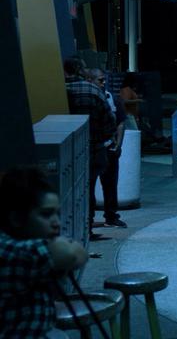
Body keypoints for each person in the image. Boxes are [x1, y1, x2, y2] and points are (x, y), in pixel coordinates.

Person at [1, 168, 89, 337]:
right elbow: (74, 254)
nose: (56, 222)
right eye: (46, 214)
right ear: (16, 218)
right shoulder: (12, 253)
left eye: (57, 213)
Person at [63, 58, 116, 240]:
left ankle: (69, 231)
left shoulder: (58, 90)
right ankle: (87, 228)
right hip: (94, 149)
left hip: (65, 152)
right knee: (89, 189)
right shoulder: (92, 90)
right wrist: (103, 138)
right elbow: (109, 121)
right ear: (80, 70)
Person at [89, 69, 127, 228]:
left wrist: (118, 144)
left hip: (107, 148)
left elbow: (121, 123)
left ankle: (110, 215)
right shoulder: (96, 99)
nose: (103, 83)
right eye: (100, 80)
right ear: (90, 80)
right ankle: (92, 217)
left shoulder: (112, 99)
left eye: (104, 80)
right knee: (92, 184)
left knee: (110, 183)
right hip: (97, 148)